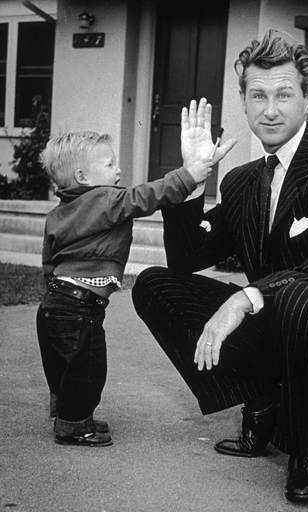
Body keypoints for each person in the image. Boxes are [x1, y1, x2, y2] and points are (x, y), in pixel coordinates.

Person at [132, 29, 308, 502]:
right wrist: (192, 178)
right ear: (244, 100)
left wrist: (246, 295)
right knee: (153, 285)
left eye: (283, 94)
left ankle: (307, 449)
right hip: (279, 329)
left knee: (295, 293)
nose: (269, 110)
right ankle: (264, 395)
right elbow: (188, 258)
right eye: (258, 95)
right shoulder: (241, 181)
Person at [36, 111, 234, 447]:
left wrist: (47, 298)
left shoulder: (58, 213)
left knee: (65, 364)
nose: (119, 170)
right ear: (84, 176)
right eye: (110, 164)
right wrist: (191, 175)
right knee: (88, 368)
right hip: (80, 308)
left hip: (55, 304)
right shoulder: (105, 199)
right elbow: (145, 197)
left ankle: (68, 412)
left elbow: (47, 260)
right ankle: (72, 426)